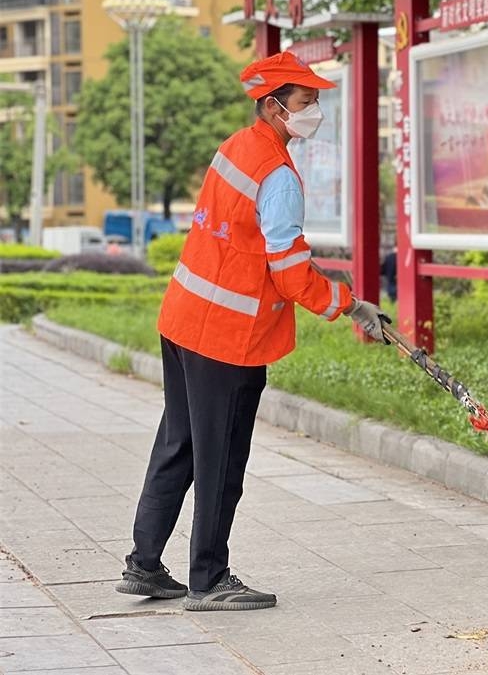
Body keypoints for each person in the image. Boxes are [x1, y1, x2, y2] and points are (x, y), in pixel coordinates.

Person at [115, 51, 388, 612]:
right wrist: (351, 305)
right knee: (220, 460)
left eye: (315, 100)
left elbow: (238, 237)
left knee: (179, 443)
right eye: (306, 101)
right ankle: (208, 580)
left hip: (184, 319)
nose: (314, 111)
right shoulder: (278, 176)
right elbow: (289, 274)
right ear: (273, 106)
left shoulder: (235, 147)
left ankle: (144, 565)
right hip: (228, 338)